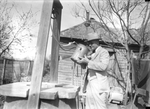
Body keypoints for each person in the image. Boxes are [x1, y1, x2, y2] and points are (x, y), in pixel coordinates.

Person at [77, 32, 110, 109]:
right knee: (89, 106)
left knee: (100, 106)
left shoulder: (103, 52)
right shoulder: (91, 53)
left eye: (91, 43)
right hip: (90, 83)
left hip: (98, 84)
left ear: (97, 42)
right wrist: (81, 62)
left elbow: (103, 66)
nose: (90, 45)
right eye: (88, 43)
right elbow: (86, 67)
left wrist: (88, 62)